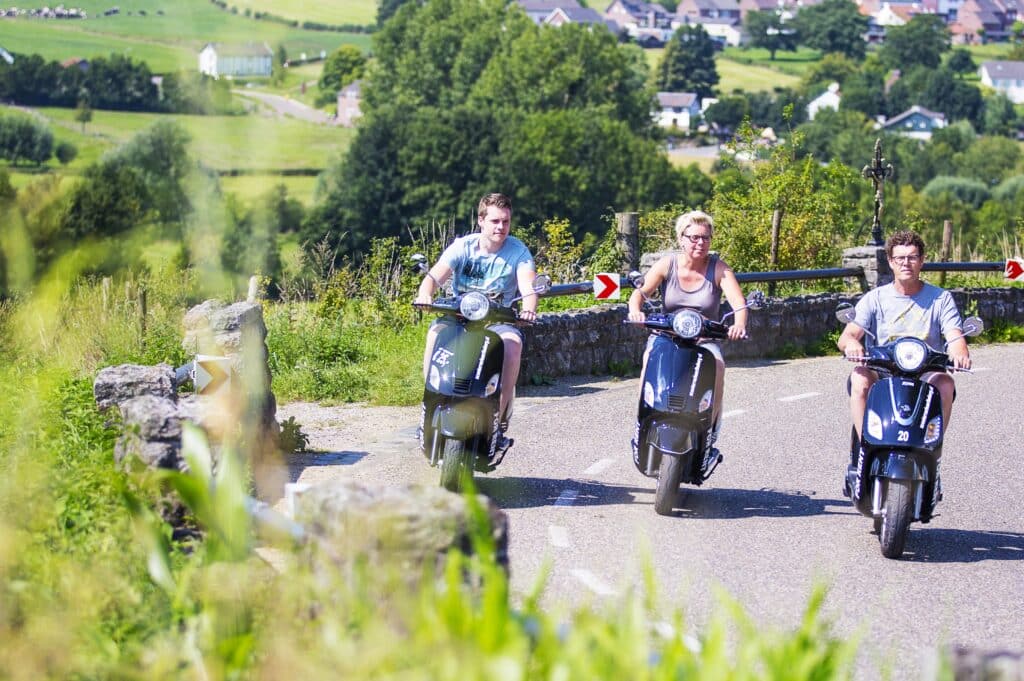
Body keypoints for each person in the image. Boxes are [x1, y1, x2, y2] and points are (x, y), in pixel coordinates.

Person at [414, 192, 538, 444]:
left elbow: (528, 287)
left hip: (498, 319)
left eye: (505, 221)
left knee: (513, 346)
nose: (501, 227)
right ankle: (429, 406)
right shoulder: (463, 246)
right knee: (435, 334)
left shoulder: (518, 251)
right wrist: (425, 294)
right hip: (460, 315)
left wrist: (529, 308)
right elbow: (435, 276)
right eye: (494, 221)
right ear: (481, 220)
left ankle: (499, 420)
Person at [837, 230, 971, 443]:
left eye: (912, 257)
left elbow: (955, 337)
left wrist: (959, 353)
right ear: (890, 262)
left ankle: (931, 446)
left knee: (946, 383)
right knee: (859, 378)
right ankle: (866, 444)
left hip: (925, 372)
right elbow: (847, 336)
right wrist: (853, 345)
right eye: (900, 258)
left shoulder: (941, 299)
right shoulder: (875, 298)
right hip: (882, 371)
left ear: (922, 260)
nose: (906, 263)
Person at [626, 210, 748, 442]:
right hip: (667, 334)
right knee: (649, 361)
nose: (700, 243)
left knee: (719, 366)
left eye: (705, 237)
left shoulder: (720, 268)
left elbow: (738, 303)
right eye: (694, 237)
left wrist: (739, 324)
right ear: (681, 238)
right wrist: (635, 311)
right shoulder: (666, 265)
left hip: (704, 338)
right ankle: (642, 421)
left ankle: (710, 430)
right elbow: (639, 294)